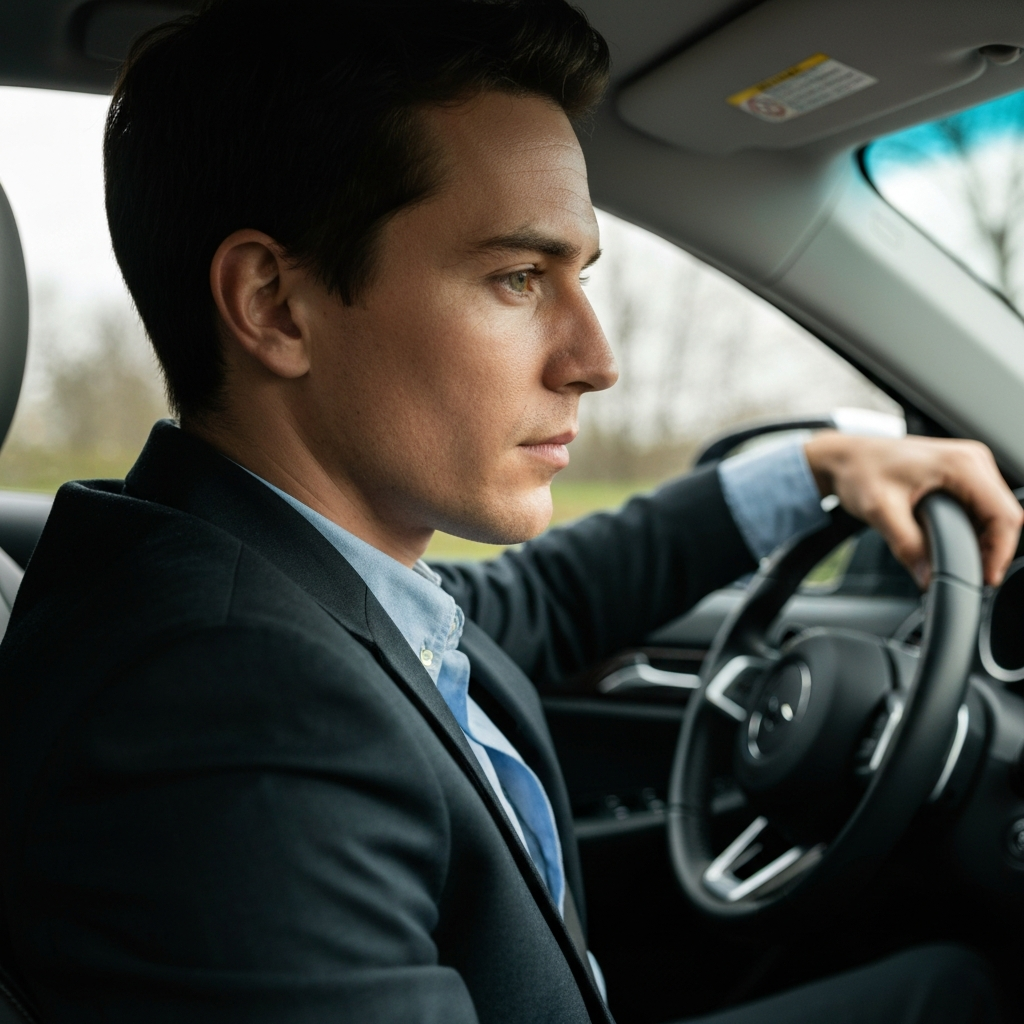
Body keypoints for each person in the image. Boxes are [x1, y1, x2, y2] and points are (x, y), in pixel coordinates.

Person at [0, 1, 1019, 1022]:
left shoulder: (279, 579)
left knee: (950, 983)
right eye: (519, 276)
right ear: (273, 303)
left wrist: (812, 467)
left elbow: (535, 605)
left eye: (578, 276)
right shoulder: (228, 720)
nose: (595, 361)